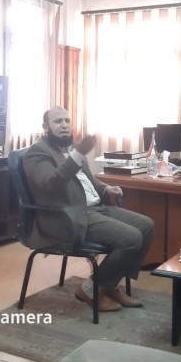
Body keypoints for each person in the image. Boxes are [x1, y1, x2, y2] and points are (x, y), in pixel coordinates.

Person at [23, 106, 155, 312]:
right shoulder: (37, 153)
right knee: (131, 238)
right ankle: (90, 289)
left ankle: (109, 285)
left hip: (93, 208)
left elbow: (89, 181)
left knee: (146, 226)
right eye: (58, 121)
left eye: (67, 121)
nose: (64, 125)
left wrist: (106, 188)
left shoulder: (72, 149)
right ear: (45, 127)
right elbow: (50, 184)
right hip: (67, 217)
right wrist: (77, 155)